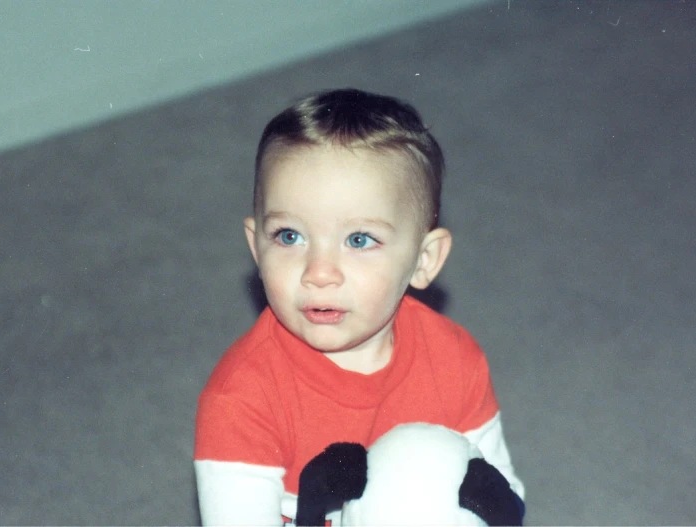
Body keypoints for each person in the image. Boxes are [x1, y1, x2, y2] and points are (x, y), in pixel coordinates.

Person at [194, 88, 524, 525]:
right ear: (256, 247)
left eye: (359, 240)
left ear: (423, 261)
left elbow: (500, 495)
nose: (319, 272)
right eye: (289, 236)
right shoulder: (241, 399)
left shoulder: (453, 359)